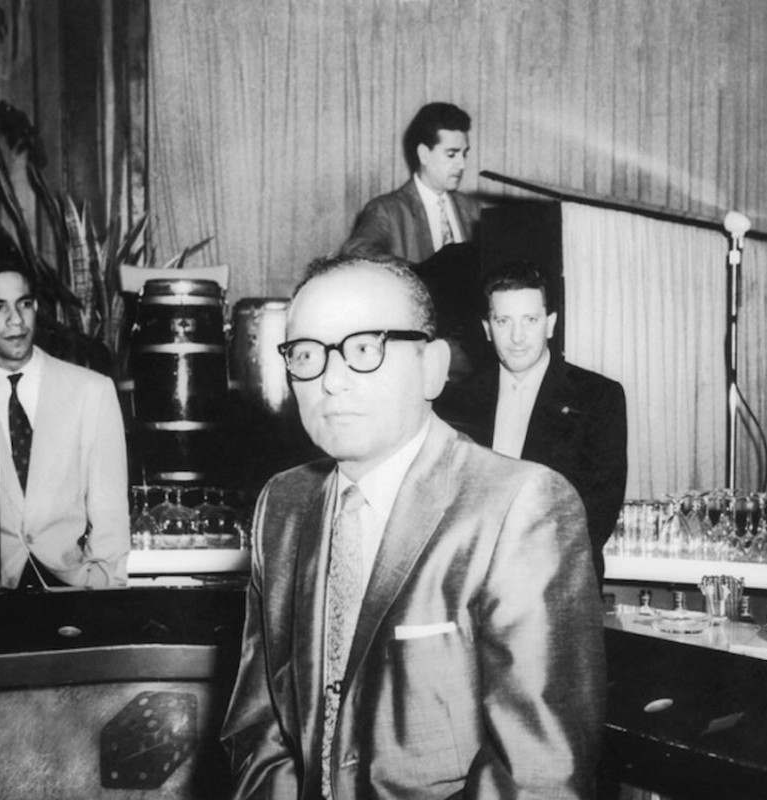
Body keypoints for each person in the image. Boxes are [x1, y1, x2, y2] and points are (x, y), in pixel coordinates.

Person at [220, 255, 604, 799]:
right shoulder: (283, 503)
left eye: (363, 349)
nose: (330, 381)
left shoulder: (518, 506)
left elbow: (538, 777)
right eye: (306, 354)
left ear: (432, 368)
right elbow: (260, 731)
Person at [436, 263, 628, 583]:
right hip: (475, 588)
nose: (517, 337)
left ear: (549, 324)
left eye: (530, 320)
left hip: (559, 584)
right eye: (503, 321)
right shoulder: (458, 402)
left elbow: (598, 509)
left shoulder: (597, 397)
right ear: (487, 328)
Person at [0, 260, 130, 589]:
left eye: (24, 304)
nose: (16, 320)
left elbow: (110, 509)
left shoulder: (91, 391)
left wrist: (103, 587)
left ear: (36, 307)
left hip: (74, 591)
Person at [340, 102, 481, 264]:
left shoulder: (473, 209)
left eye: (464, 154)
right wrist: (420, 275)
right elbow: (357, 252)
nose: (462, 164)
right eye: (451, 154)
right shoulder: (386, 210)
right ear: (424, 154)